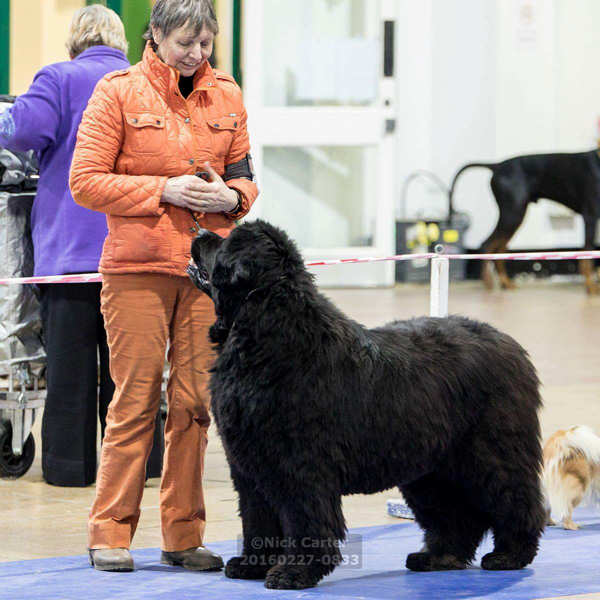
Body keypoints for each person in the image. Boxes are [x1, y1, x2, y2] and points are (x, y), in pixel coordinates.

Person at [70, 0, 258, 572]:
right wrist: (163, 191)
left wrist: (233, 200)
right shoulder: (117, 91)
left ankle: (182, 536)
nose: (196, 55)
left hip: (209, 277)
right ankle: (111, 533)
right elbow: (85, 181)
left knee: (196, 404)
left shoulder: (227, 93)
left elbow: (245, 178)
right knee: (134, 399)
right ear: (154, 34)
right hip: (137, 272)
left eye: (206, 44)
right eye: (185, 43)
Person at [0, 5, 130, 487]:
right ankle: (144, 467)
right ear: (122, 42)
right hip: (134, 250)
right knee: (132, 373)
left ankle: (70, 469)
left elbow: (20, 130)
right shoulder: (142, 80)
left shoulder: (57, 78)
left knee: (71, 369)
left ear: (75, 40)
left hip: (70, 250)